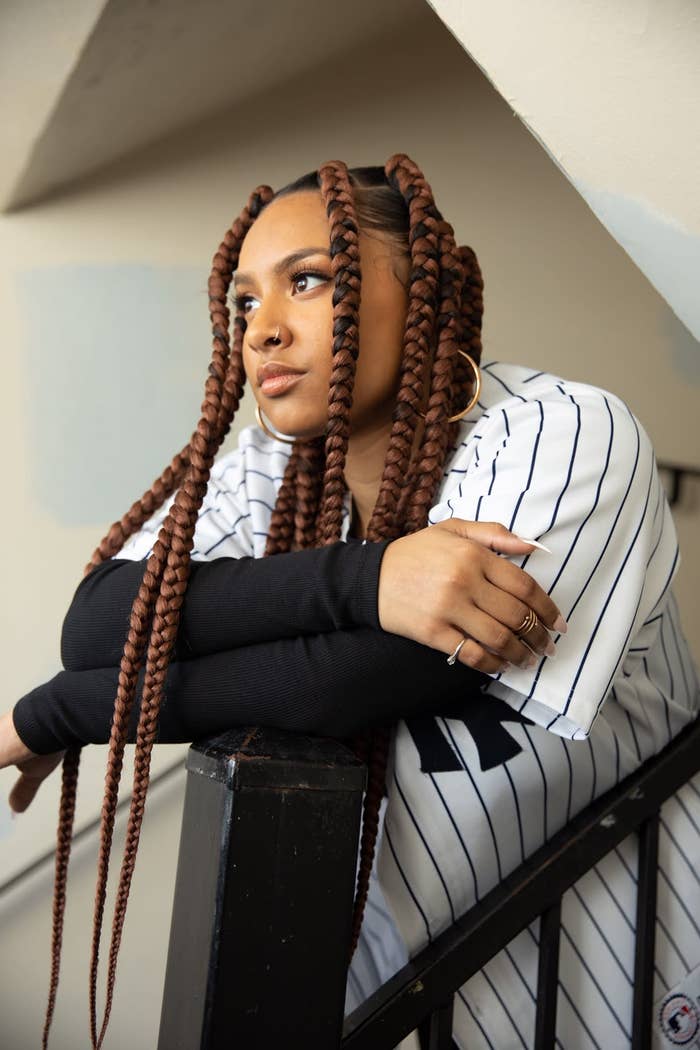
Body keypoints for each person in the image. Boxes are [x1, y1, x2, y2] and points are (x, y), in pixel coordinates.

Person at [1, 155, 698, 1049]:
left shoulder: (563, 433)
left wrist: (68, 709)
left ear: (426, 296)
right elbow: (99, 619)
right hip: (405, 994)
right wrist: (370, 579)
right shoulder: (262, 471)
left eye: (308, 280)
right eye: (245, 302)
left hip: (631, 974)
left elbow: (359, 682)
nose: (262, 331)